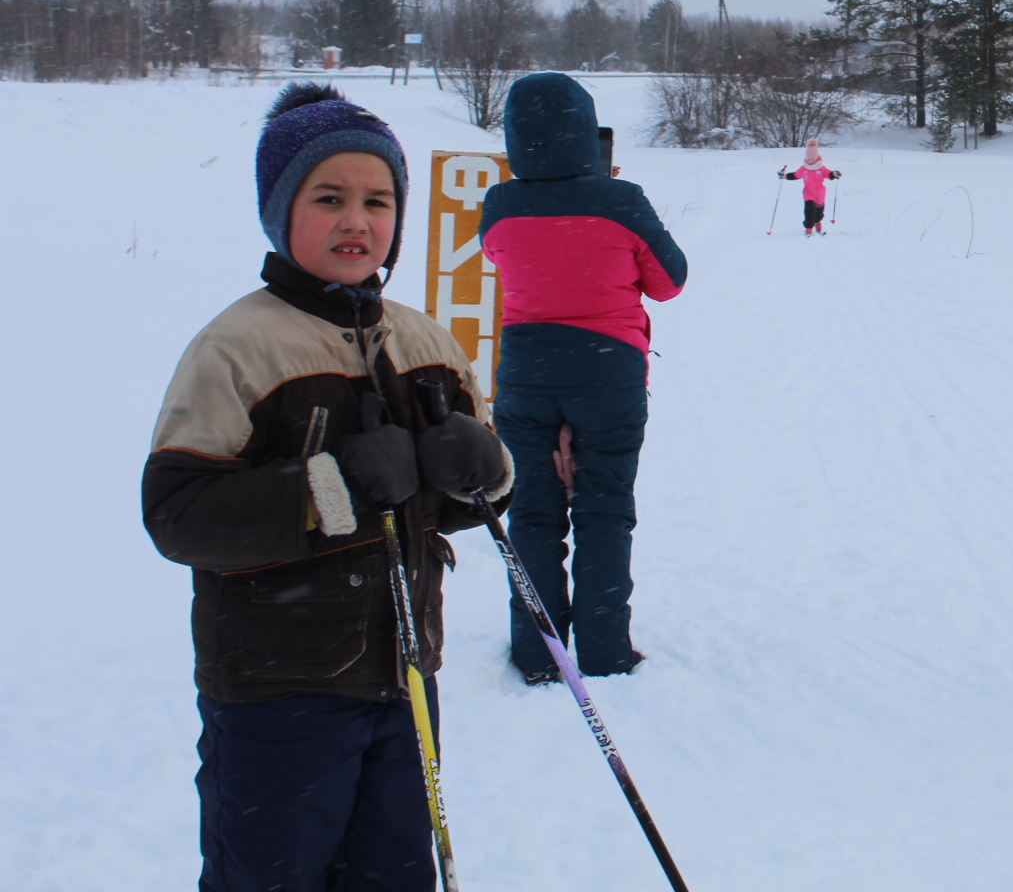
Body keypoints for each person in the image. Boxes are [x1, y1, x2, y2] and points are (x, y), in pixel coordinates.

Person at [143, 82, 512, 891]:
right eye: (330, 198)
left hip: (404, 678)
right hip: (278, 691)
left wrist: (480, 470)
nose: (357, 220)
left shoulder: (421, 339)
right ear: (281, 212)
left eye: (377, 200)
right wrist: (331, 486)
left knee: (391, 875)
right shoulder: (239, 347)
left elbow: (471, 489)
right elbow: (179, 514)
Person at [480, 73, 688, 684]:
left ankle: (538, 654)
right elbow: (670, 282)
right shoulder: (619, 201)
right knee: (604, 510)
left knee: (534, 515)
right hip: (608, 374)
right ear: (585, 132)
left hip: (526, 373)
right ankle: (604, 650)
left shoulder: (500, 203)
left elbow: (499, 256)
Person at [782, 138, 841, 236]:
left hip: (820, 193)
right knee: (809, 209)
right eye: (809, 159)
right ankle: (809, 227)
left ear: (816, 158)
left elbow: (829, 174)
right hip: (808, 192)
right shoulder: (804, 168)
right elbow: (796, 175)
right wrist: (784, 176)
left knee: (819, 211)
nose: (810, 161)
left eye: (812, 159)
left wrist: (835, 174)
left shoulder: (821, 167)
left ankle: (817, 222)